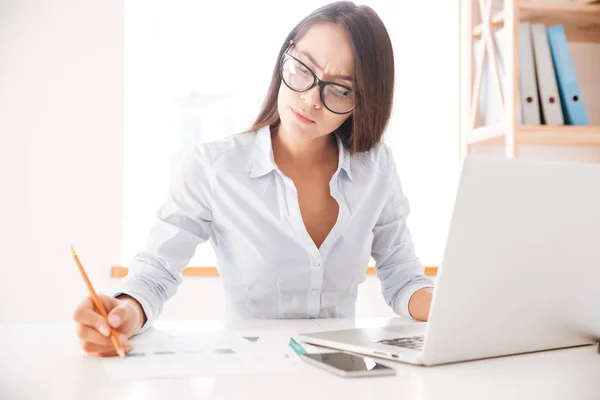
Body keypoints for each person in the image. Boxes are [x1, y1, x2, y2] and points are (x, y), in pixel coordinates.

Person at [73, 1, 434, 357]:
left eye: (340, 90)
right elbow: (155, 272)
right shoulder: (214, 168)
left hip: (345, 375)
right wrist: (124, 312)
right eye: (303, 69)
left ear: (364, 101)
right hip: (248, 377)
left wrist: (455, 309)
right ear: (286, 56)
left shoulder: (376, 169)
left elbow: (402, 276)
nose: (310, 99)